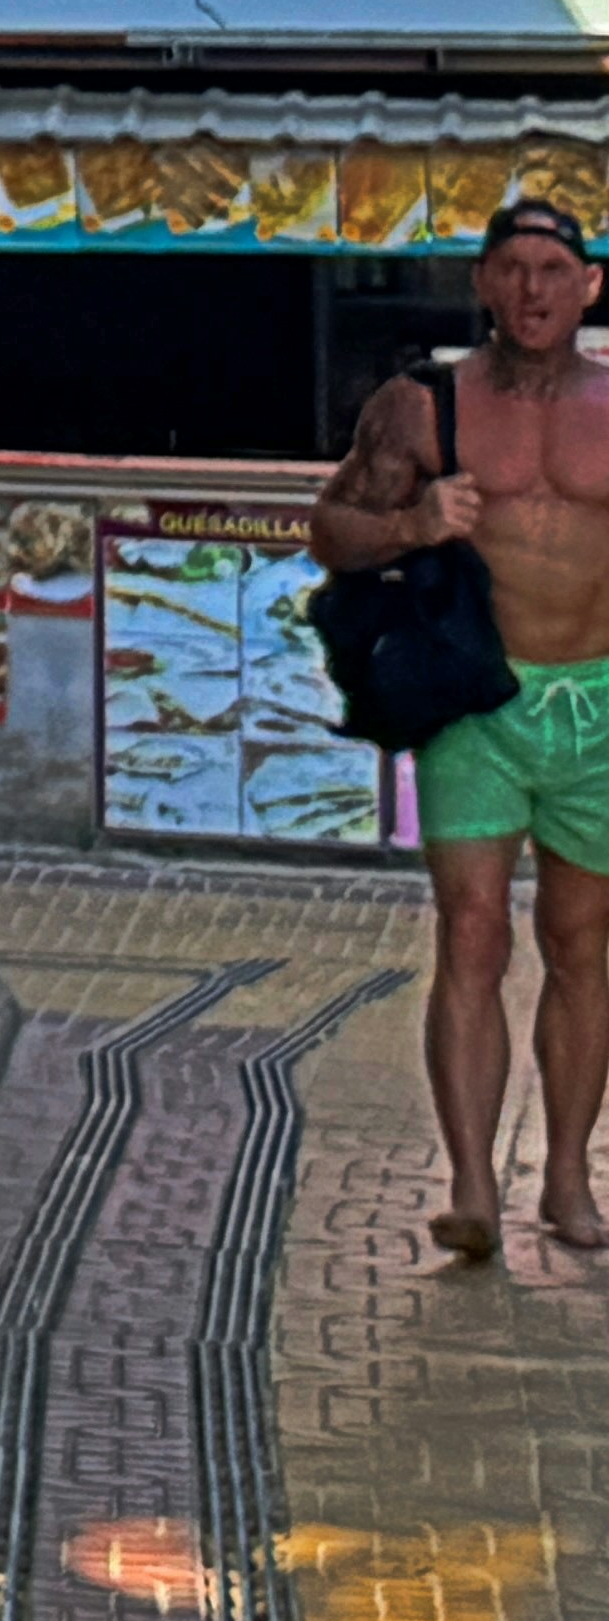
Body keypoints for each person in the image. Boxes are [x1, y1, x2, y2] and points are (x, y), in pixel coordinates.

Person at [310, 193, 609, 1263]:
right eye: (512, 268)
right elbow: (330, 531)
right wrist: (411, 521)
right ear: (481, 282)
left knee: (581, 943)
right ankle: (474, 1184)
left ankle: (567, 1176)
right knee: (472, 932)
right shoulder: (421, 406)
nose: (533, 289)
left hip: (600, 710)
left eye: (554, 270)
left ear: (590, 287)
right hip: (475, 703)